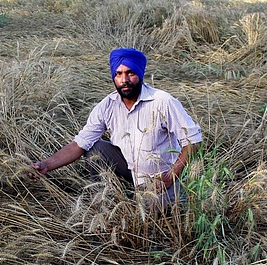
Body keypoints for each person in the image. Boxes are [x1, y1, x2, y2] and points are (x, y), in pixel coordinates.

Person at [30, 48, 202, 208]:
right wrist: (46, 165)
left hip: (161, 176)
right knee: (96, 149)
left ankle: (157, 198)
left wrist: (171, 176)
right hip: (129, 168)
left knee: (156, 217)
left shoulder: (162, 101)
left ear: (140, 74)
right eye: (118, 74)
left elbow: (193, 141)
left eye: (130, 73)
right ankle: (104, 204)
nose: (124, 80)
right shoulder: (107, 106)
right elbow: (79, 145)